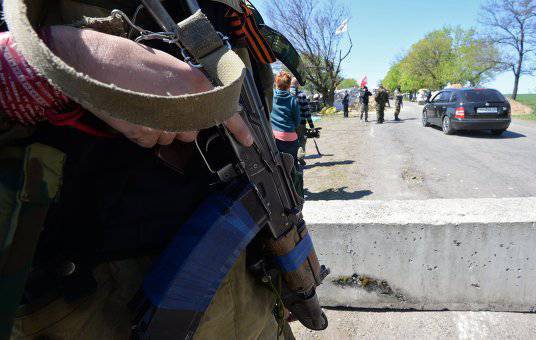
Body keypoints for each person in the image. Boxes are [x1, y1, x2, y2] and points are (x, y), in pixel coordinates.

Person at [0, 1, 295, 339]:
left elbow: (261, 157)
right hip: (83, 301)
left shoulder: (231, 8)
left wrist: (276, 278)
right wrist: (58, 60)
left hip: (248, 294)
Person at [271, 71, 301, 166]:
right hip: (291, 137)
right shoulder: (293, 99)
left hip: (275, 137)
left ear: (276, 83)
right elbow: (297, 121)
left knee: (278, 166)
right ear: (289, 86)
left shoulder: (271, 96)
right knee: (293, 164)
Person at [291, 77, 314, 166]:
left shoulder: (286, 93)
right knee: (302, 140)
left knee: (292, 141)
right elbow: (306, 111)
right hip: (301, 123)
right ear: (297, 84)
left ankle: (292, 160)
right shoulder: (301, 95)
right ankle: (300, 156)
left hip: (290, 123)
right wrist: (311, 126)